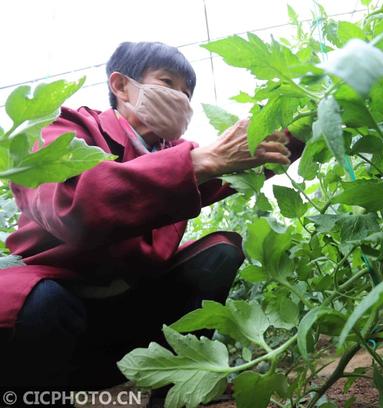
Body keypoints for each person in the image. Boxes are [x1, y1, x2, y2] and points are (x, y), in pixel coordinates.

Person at [0, 41, 303, 390]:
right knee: (41, 303)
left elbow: (240, 168)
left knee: (220, 252)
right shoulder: (63, 129)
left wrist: (301, 129)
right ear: (120, 85)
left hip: (127, 309)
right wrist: (200, 162)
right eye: (168, 83)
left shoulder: (173, 154)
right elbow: (77, 209)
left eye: (187, 93)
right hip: (55, 308)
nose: (181, 100)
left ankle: (171, 384)